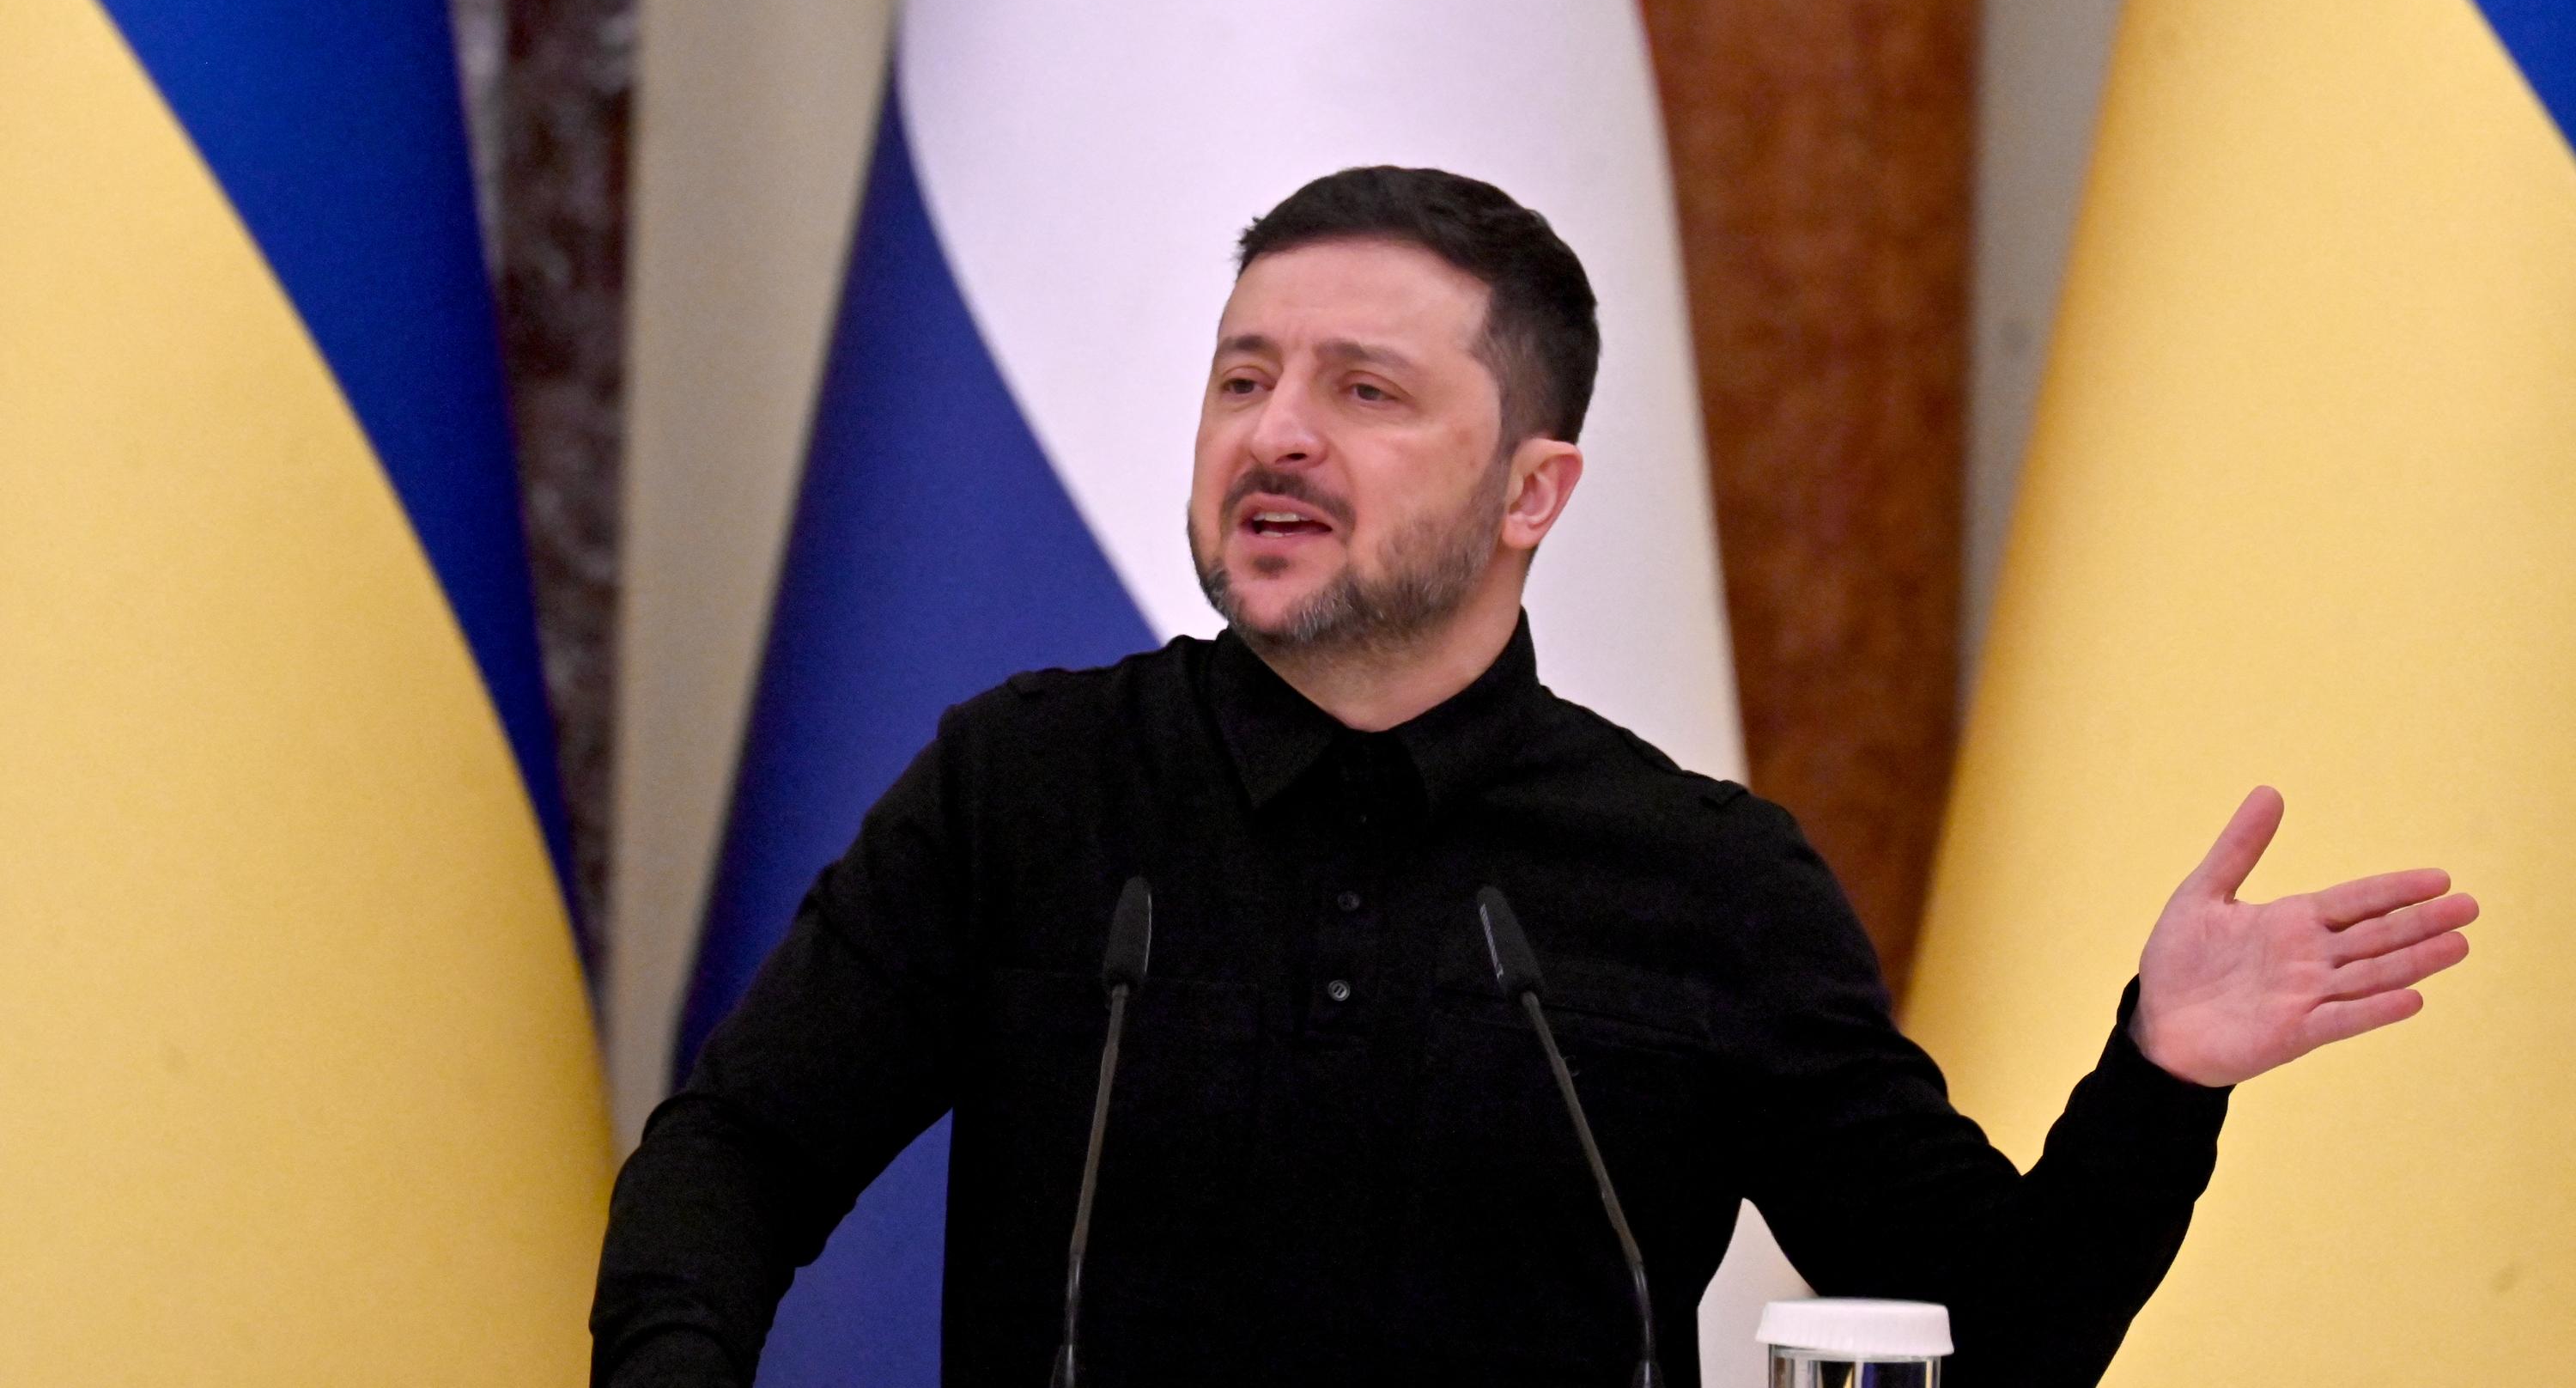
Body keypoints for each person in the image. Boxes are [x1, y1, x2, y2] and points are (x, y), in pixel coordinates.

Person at [592, 167, 2476, 1388]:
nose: (1276, 434)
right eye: (1244, 378)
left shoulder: (1703, 879)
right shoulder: (1025, 788)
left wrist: (2159, 1081)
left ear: (1533, 491)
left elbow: (1993, 1328)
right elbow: (736, 1155)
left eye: (1364, 391)